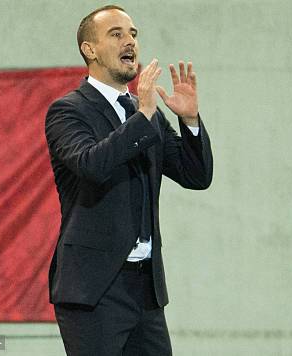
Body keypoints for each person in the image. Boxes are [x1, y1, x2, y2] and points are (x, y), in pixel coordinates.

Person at [44, 5, 213, 355]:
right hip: (95, 291)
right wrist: (146, 114)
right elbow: (92, 164)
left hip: (145, 290)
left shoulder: (142, 110)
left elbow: (195, 175)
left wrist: (190, 120)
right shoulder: (68, 110)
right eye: (116, 33)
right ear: (89, 49)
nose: (130, 41)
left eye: (133, 33)